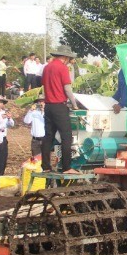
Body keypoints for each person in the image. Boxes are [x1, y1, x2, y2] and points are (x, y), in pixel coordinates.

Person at [41, 46, 79, 174]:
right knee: (66, 136)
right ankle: (67, 167)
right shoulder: (62, 68)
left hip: (48, 106)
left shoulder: (47, 67)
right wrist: (74, 104)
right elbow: (67, 89)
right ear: (65, 57)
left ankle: (45, 166)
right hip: (59, 105)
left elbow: (45, 85)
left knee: (48, 136)